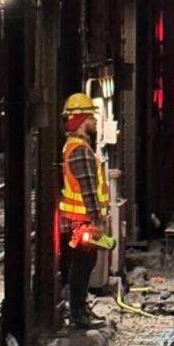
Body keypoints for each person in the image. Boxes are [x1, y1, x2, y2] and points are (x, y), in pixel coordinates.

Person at [59, 93, 109, 329]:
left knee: (79, 265)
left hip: (76, 219)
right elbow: (88, 189)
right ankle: (79, 313)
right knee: (83, 265)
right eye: (91, 117)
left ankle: (78, 308)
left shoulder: (71, 146)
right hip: (82, 221)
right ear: (81, 119)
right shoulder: (81, 150)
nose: (94, 122)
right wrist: (97, 220)